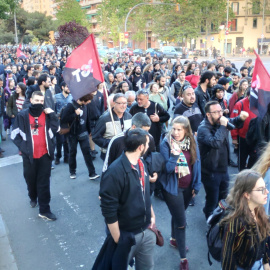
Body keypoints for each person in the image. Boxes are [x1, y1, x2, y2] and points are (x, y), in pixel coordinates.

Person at [99, 129, 156, 269]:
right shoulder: (114, 172)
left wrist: (152, 216)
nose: (149, 147)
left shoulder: (141, 164)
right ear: (140, 147)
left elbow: (145, 192)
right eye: (147, 144)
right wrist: (118, 238)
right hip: (127, 236)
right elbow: (108, 210)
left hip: (146, 231)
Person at [159, 116, 201, 270]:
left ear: (186, 130)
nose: (175, 132)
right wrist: (175, 155)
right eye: (173, 129)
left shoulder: (192, 142)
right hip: (172, 188)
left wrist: (196, 185)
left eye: (179, 129)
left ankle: (173, 239)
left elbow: (197, 163)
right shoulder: (165, 143)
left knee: (178, 214)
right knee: (181, 223)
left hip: (188, 187)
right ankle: (183, 259)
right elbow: (167, 169)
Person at [11, 91, 58, 221]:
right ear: (31, 101)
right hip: (29, 157)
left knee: (44, 183)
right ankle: (32, 196)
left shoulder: (47, 115)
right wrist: (24, 148)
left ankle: (44, 210)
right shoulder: (22, 115)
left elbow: (56, 130)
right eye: (36, 100)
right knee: (30, 180)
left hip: (45, 155)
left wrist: (53, 115)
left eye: (41, 101)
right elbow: (14, 135)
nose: (39, 103)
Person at [197, 100, 249, 219]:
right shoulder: (203, 129)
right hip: (210, 171)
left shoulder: (220, 122)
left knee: (223, 197)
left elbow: (232, 122)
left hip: (222, 168)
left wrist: (240, 118)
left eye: (221, 111)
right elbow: (215, 143)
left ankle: (218, 216)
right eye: (216, 112)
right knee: (212, 198)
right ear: (208, 114)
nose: (220, 114)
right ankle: (210, 222)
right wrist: (222, 126)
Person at [220, 170, 270, 270]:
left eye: (265, 187)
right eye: (261, 189)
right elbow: (228, 258)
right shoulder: (235, 220)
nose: (267, 191)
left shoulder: (259, 210)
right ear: (247, 194)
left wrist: (266, 263)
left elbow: (264, 243)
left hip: (259, 264)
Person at [61, 93, 99, 180]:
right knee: (72, 153)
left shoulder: (85, 106)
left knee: (87, 153)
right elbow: (64, 119)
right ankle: (72, 171)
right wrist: (75, 114)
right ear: (83, 99)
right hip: (72, 134)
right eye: (88, 100)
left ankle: (92, 173)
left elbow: (87, 119)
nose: (89, 102)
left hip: (84, 133)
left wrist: (90, 131)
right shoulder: (71, 106)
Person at [92, 93, 132, 160]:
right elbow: (96, 137)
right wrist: (111, 143)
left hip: (125, 153)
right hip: (109, 153)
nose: (123, 106)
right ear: (114, 103)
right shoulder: (104, 119)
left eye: (125, 103)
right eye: (120, 103)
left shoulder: (129, 116)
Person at [230, 90, 257, 171]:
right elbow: (233, 121)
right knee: (242, 158)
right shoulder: (240, 104)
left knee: (255, 157)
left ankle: (249, 172)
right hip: (243, 137)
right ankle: (241, 174)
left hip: (254, 137)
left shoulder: (259, 104)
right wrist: (234, 138)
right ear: (247, 95)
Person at [54, 82, 73, 165]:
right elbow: (53, 109)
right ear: (62, 87)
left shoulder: (72, 97)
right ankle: (58, 156)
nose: (69, 89)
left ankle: (66, 157)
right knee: (59, 141)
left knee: (67, 141)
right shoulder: (56, 97)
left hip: (68, 122)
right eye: (67, 87)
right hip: (59, 122)